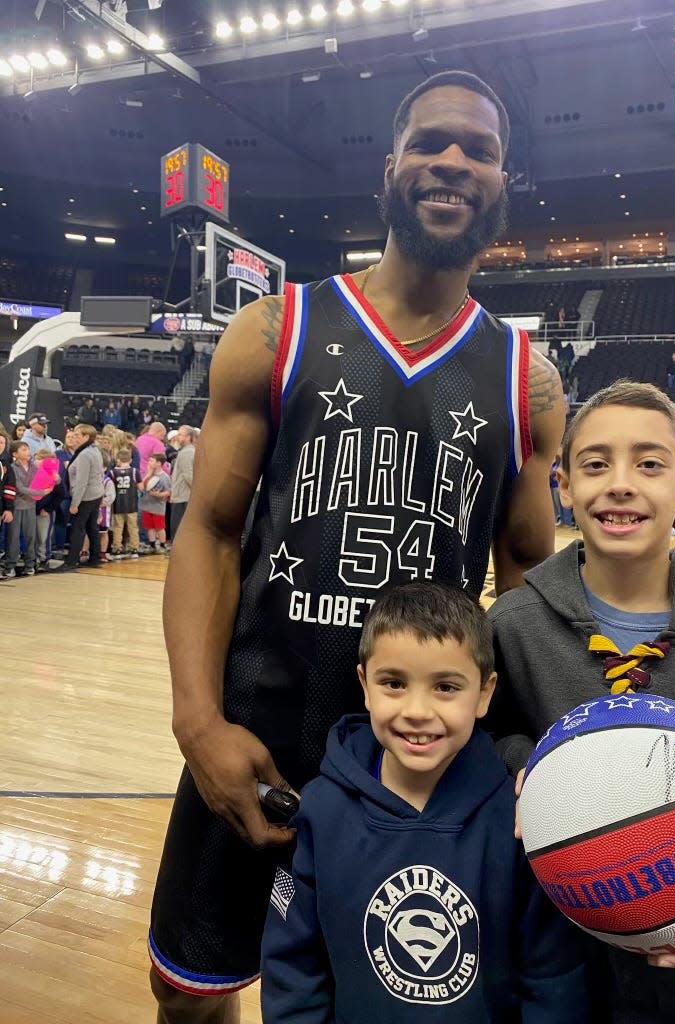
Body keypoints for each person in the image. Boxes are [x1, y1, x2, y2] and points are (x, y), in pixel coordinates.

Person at [149, 70, 567, 1023]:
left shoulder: (525, 379)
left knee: (397, 1003)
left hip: (423, 764)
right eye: (431, 142)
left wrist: (672, 582)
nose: (454, 161)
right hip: (259, 732)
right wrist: (196, 722)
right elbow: (208, 530)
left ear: (503, 184)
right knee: (187, 990)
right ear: (390, 169)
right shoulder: (274, 330)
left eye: (481, 150)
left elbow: (537, 585)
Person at [488, 380, 675, 1024]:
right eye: (595, 464)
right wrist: (525, 764)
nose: (620, 483)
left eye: (649, 463)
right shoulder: (513, 627)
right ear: (562, 485)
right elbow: (482, 734)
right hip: (551, 977)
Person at [260, 581, 589, 1023]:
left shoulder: (518, 819)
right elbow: (292, 966)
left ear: (485, 693)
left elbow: (552, 977)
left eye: (446, 687)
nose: (417, 710)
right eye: (394, 683)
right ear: (364, 684)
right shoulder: (321, 811)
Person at [58, 423, 104, 572]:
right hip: (96, 494)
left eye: (77, 435)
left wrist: (75, 503)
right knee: (92, 527)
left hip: (86, 496)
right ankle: (95, 558)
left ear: (86, 437)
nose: (75, 438)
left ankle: (71, 561)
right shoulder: (94, 449)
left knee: (78, 528)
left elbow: (81, 481)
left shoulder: (85, 454)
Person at [1, 440, 47, 578]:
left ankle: (30, 564)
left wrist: (54, 478)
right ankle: (10, 565)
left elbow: (46, 481)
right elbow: (19, 488)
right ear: (15, 454)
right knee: (13, 537)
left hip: (30, 506)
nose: (27, 452)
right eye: (23, 450)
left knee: (30, 537)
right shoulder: (12, 467)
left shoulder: (34, 467)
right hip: (16, 506)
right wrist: (41, 492)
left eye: (27, 449)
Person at [110, 448, 141, 558]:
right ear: (131, 460)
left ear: (118, 459)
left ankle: (117, 549)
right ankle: (134, 549)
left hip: (118, 503)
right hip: (131, 503)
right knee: (133, 527)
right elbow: (140, 487)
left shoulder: (112, 472)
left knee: (118, 527)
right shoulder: (134, 471)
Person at [168, 425, 195, 541]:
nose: (177, 437)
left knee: (178, 528)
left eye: (180, 434)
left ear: (188, 437)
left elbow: (189, 475)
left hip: (183, 496)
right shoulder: (187, 451)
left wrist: (195, 492)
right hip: (184, 495)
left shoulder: (187, 452)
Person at [141, 453, 171, 552]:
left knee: (160, 527)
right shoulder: (149, 474)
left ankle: (163, 545)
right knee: (150, 527)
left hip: (158, 507)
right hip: (147, 505)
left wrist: (159, 495)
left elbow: (168, 492)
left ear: (158, 463)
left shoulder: (165, 477)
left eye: (151, 461)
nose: (149, 463)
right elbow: (141, 485)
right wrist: (148, 474)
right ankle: (152, 545)